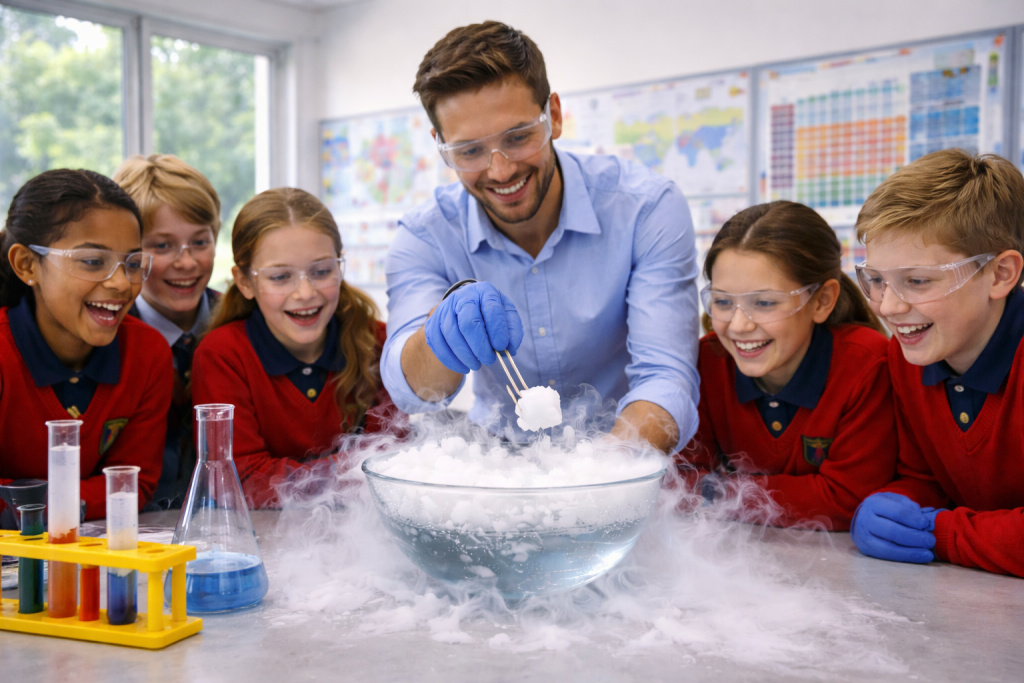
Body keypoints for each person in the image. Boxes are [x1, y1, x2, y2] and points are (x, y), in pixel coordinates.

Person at [383, 21, 699, 452]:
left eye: (518, 137)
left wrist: (595, 475)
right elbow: (411, 390)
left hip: (626, 461)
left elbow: (666, 379)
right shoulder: (425, 236)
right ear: (440, 145)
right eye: (469, 151)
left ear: (554, 114)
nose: (501, 170)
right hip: (499, 463)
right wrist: (440, 338)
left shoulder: (646, 208)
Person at [850, 149, 1024, 576]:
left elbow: (943, 522)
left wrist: (942, 533)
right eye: (875, 280)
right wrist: (898, 504)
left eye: (917, 281)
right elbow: (926, 477)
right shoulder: (907, 352)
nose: (888, 307)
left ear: (1000, 274)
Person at [681, 201, 896, 529]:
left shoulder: (867, 364)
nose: (738, 325)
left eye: (764, 303)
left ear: (822, 301)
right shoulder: (706, 363)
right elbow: (682, 482)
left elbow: (846, 499)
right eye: (723, 302)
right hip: (738, 560)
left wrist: (719, 489)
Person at [191, 188, 400, 508]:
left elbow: (395, 463)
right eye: (280, 277)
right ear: (245, 282)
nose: (305, 292)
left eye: (321, 271)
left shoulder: (379, 343)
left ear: (340, 267)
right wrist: (351, 470)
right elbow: (237, 480)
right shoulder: (222, 355)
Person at [0, 169, 173, 520]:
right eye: (94, 262)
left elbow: (133, 484)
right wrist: (78, 502)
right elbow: (113, 493)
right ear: (26, 265)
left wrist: (30, 505)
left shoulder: (148, 353)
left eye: (133, 263)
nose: (122, 284)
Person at [114, 154, 222, 508]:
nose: (187, 261)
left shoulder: (241, 324)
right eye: (162, 245)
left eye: (200, 242)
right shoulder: (108, 334)